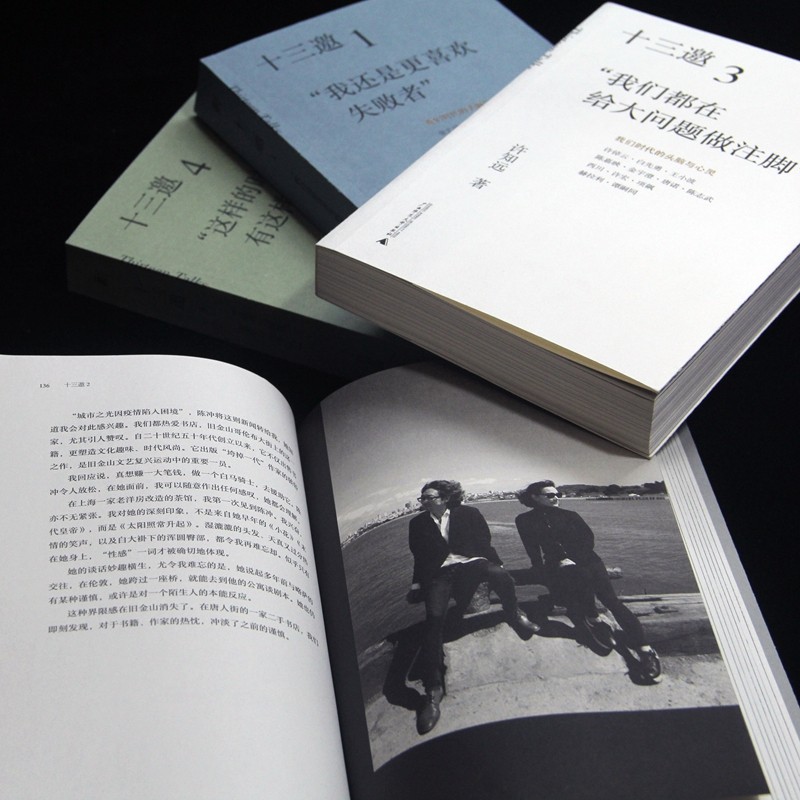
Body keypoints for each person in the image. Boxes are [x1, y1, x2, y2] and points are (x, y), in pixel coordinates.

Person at [407, 479, 538, 735]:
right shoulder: (417, 524)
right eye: (422, 498)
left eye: (429, 497)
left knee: (500, 576)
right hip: (440, 573)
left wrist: (498, 564)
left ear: (445, 498)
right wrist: (416, 584)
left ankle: (514, 614)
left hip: (471, 563)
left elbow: (484, 541)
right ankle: (433, 691)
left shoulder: (469, 513)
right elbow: (419, 557)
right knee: (434, 619)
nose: (424, 501)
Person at [514, 480, 662, 684]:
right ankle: (593, 621)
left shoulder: (570, 515)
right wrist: (543, 567)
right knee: (581, 587)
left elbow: (587, 540)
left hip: (589, 561)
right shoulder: (524, 520)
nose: (556, 497)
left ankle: (645, 650)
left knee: (612, 602)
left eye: (557, 494)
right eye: (550, 495)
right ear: (535, 497)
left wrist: (571, 558)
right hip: (559, 566)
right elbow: (532, 548)